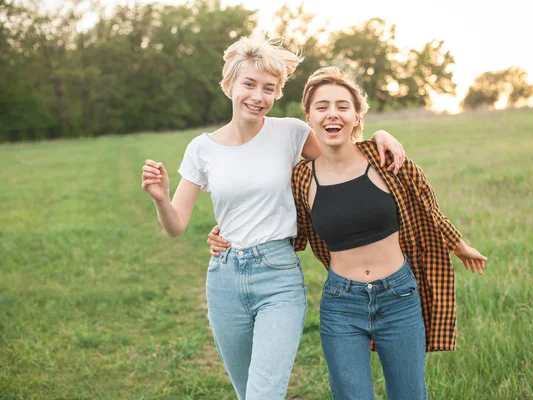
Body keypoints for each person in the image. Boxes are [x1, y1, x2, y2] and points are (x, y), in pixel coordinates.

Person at [140, 35, 406, 400]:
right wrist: (160, 199)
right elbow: (176, 226)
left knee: (263, 394)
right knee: (246, 391)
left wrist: (379, 133)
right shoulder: (201, 149)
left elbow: (343, 152)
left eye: (269, 88)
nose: (258, 96)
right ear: (229, 84)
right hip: (224, 278)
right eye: (249, 84)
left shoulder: (291, 133)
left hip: (278, 275)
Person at [209, 66, 488, 399]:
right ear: (308, 118)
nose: (333, 114)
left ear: (357, 116)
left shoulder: (387, 161)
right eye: (322, 107)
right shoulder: (302, 178)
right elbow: (274, 220)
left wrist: (459, 244)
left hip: (399, 297)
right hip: (341, 305)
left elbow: (427, 208)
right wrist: (228, 235)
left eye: (342, 106)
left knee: (410, 394)